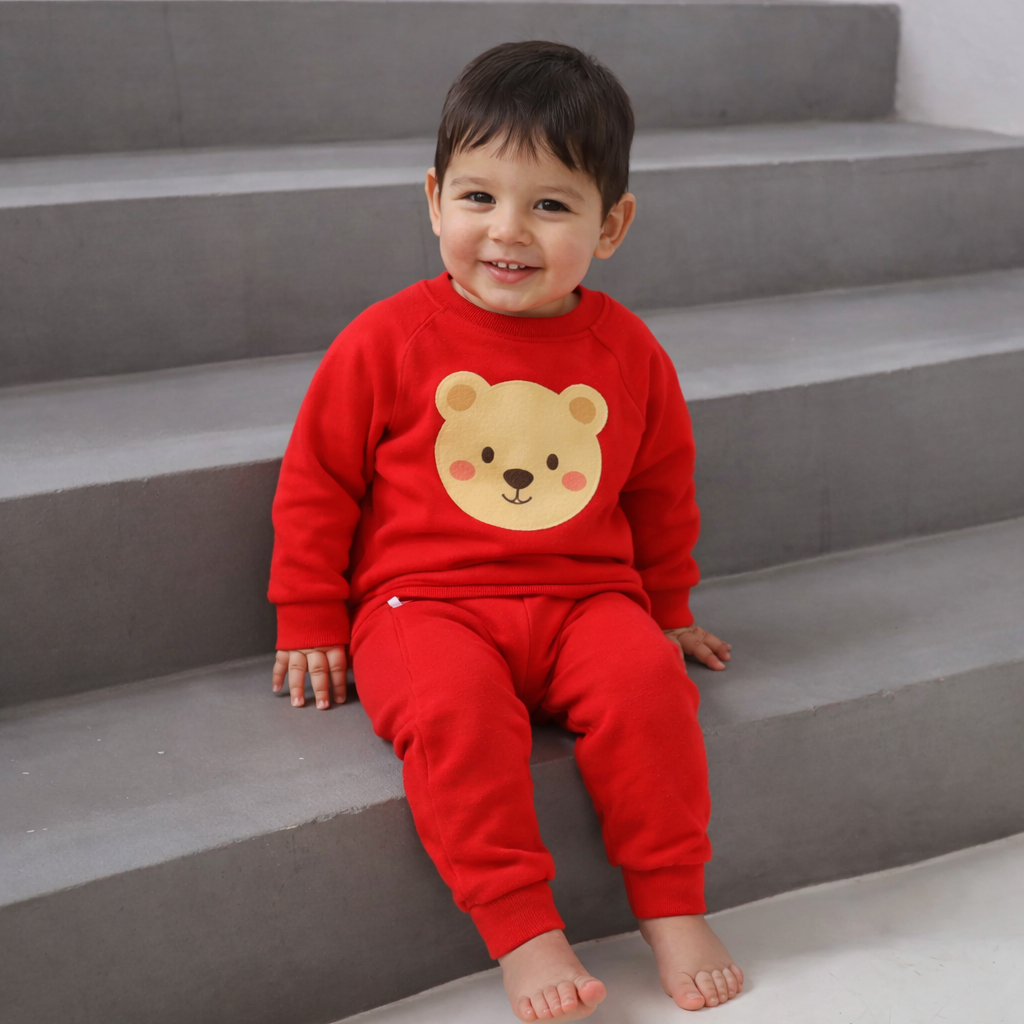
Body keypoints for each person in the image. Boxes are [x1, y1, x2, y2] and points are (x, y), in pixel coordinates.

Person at [268, 40, 743, 1021]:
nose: (506, 232)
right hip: (423, 604)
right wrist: (309, 611)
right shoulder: (388, 339)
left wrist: (668, 606)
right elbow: (318, 480)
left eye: (551, 205)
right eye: (478, 198)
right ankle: (524, 930)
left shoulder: (626, 350)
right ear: (433, 198)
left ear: (611, 224)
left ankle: (670, 901)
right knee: (452, 719)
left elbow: (659, 487)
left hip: (586, 596)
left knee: (650, 686)